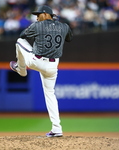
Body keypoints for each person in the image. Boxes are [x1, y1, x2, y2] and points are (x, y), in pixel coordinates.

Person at [10, 5, 73, 137]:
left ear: (45, 14)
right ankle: (57, 128)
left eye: (39, 15)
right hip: (53, 67)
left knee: (19, 41)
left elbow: (22, 35)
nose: (37, 17)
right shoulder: (64, 26)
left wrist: (40, 31)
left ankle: (20, 69)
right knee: (51, 94)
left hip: (37, 61)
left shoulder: (37, 26)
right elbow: (69, 38)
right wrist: (56, 28)